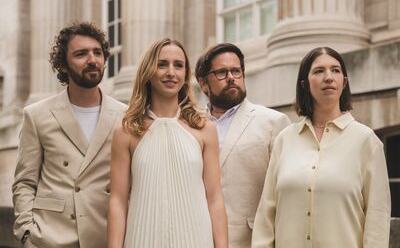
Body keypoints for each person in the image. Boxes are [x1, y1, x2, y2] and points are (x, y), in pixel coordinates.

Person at [252, 46, 391, 248]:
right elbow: (266, 213)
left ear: (344, 82)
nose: (329, 77)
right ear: (304, 84)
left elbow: (377, 217)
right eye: (319, 71)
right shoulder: (285, 140)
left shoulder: (366, 141)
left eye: (335, 70)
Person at [12, 22, 127, 248]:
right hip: (50, 238)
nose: (92, 59)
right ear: (63, 65)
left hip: (105, 236)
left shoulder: (125, 116)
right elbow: (24, 182)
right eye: (81, 54)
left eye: (97, 52)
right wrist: (26, 233)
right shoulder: (36, 115)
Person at [107, 38, 228, 248]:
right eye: (162, 64)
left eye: (178, 65)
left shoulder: (205, 130)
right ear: (148, 71)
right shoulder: (126, 132)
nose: (171, 72)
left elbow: (215, 199)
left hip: (196, 239)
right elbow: (118, 201)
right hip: (142, 239)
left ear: (185, 74)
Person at [195, 43, 290, 248]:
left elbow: (286, 194)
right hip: (195, 237)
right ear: (203, 83)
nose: (231, 77)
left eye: (236, 71)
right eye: (221, 72)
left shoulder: (274, 122)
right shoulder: (189, 125)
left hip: (252, 241)